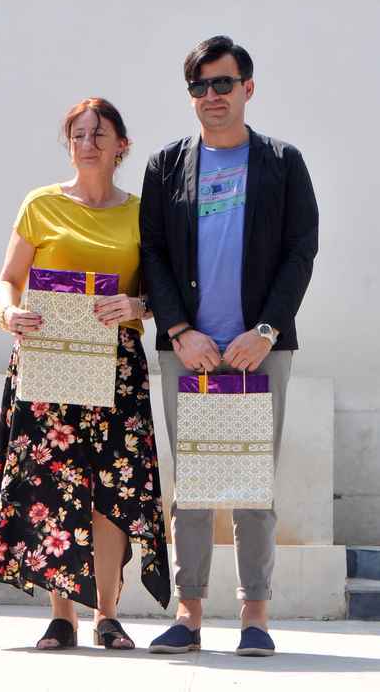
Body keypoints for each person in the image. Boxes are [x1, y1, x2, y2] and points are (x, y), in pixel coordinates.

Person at [0, 97, 171, 650]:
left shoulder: (142, 212)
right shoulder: (40, 204)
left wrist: (138, 306)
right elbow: (7, 279)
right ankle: (62, 616)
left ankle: (106, 614)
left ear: (122, 145)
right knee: (54, 486)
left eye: (100, 134)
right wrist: (8, 312)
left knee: (112, 491)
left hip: (117, 367)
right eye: (78, 134)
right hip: (48, 360)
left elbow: (162, 292)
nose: (88, 143)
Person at [140, 35, 318, 656]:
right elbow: (153, 253)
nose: (212, 95)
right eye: (200, 86)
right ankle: (188, 616)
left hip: (259, 350)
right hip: (188, 351)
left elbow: (301, 250)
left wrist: (265, 329)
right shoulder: (166, 166)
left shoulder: (282, 162)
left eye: (223, 83)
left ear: (248, 87)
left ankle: (255, 618)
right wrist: (179, 331)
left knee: (252, 486)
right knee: (191, 485)